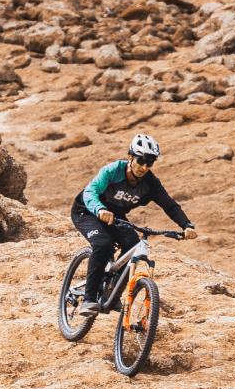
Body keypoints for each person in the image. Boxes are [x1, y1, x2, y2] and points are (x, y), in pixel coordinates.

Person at [71, 133, 196, 318]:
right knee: (103, 244)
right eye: (141, 160)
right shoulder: (113, 171)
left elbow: (169, 205)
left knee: (133, 245)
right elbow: (91, 192)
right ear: (130, 156)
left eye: (149, 162)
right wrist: (99, 209)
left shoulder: (150, 183)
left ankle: (111, 294)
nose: (144, 167)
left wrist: (186, 225)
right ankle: (88, 299)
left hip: (116, 216)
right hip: (87, 211)